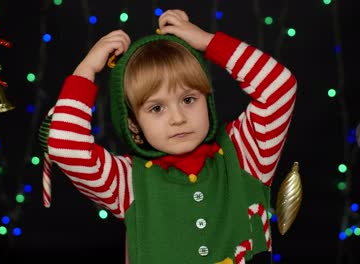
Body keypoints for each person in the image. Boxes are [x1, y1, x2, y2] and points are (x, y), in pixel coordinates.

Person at [40, 9, 297, 264]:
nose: (177, 118)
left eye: (188, 99)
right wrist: (86, 69)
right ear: (134, 126)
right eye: (156, 108)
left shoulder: (245, 153)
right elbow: (65, 148)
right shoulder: (127, 181)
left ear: (206, 101)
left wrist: (207, 42)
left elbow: (279, 88)